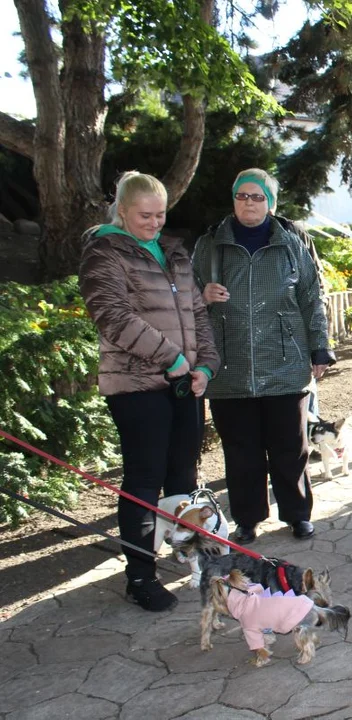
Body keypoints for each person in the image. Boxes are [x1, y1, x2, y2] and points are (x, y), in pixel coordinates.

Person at [79, 171, 220, 612]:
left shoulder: (175, 253)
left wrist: (204, 367)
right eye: (145, 215)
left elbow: (197, 313)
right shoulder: (104, 252)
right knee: (144, 479)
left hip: (184, 384)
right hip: (136, 385)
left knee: (183, 474)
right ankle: (140, 574)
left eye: (161, 214)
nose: (155, 223)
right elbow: (112, 316)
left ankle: (184, 551)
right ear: (122, 210)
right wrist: (171, 358)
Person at [192, 168, 333, 545]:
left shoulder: (292, 243)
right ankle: (247, 519)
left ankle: (297, 514)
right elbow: (185, 294)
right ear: (233, 199)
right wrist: (201, 296)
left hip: (285, 363)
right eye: (242, 196)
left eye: (258, 197)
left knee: (290, 449)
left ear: (270, 203)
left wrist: (320, 346)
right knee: (241, 453)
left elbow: (310, 297)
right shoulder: (210, 244)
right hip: (230, 367)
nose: (249, 204)